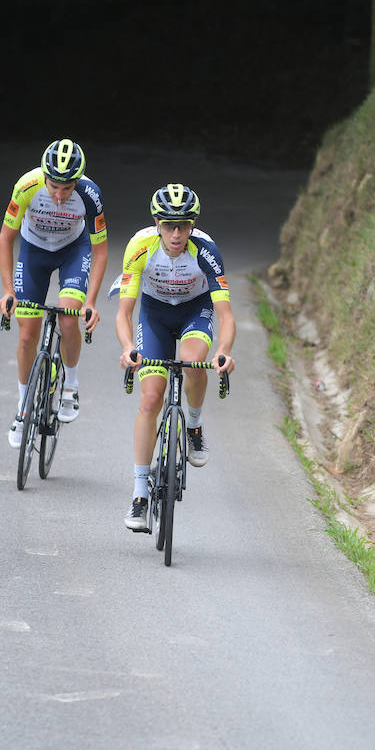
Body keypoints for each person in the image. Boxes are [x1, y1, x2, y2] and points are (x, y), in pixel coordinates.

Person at [114, 183, 236, 532]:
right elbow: (124, 313)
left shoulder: (206, 251)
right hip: (155, 314)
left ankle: (193, 425)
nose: (177, 234)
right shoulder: (140, 247)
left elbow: (226, 316)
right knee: (150, 398)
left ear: (193, 225)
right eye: (169, 225)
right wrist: (127, 348)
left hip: (195, 310)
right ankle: (140, 495)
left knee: (192, 361)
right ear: (157, 223)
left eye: (184, 226)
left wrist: (224, 352)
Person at [0, 138, 107, 445]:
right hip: (34, 252)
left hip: (73, 251)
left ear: (77, 182)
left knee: (69, 318)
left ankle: (70, 386)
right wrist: (7, 290)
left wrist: (92, 301)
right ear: (44, 176)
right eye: (54, 186)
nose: (59, 195)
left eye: (67, 188)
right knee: (27, 335)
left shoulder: (90, 194)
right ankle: (23, 409)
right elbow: (6, 238)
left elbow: (100, 251)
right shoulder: (26, 186)